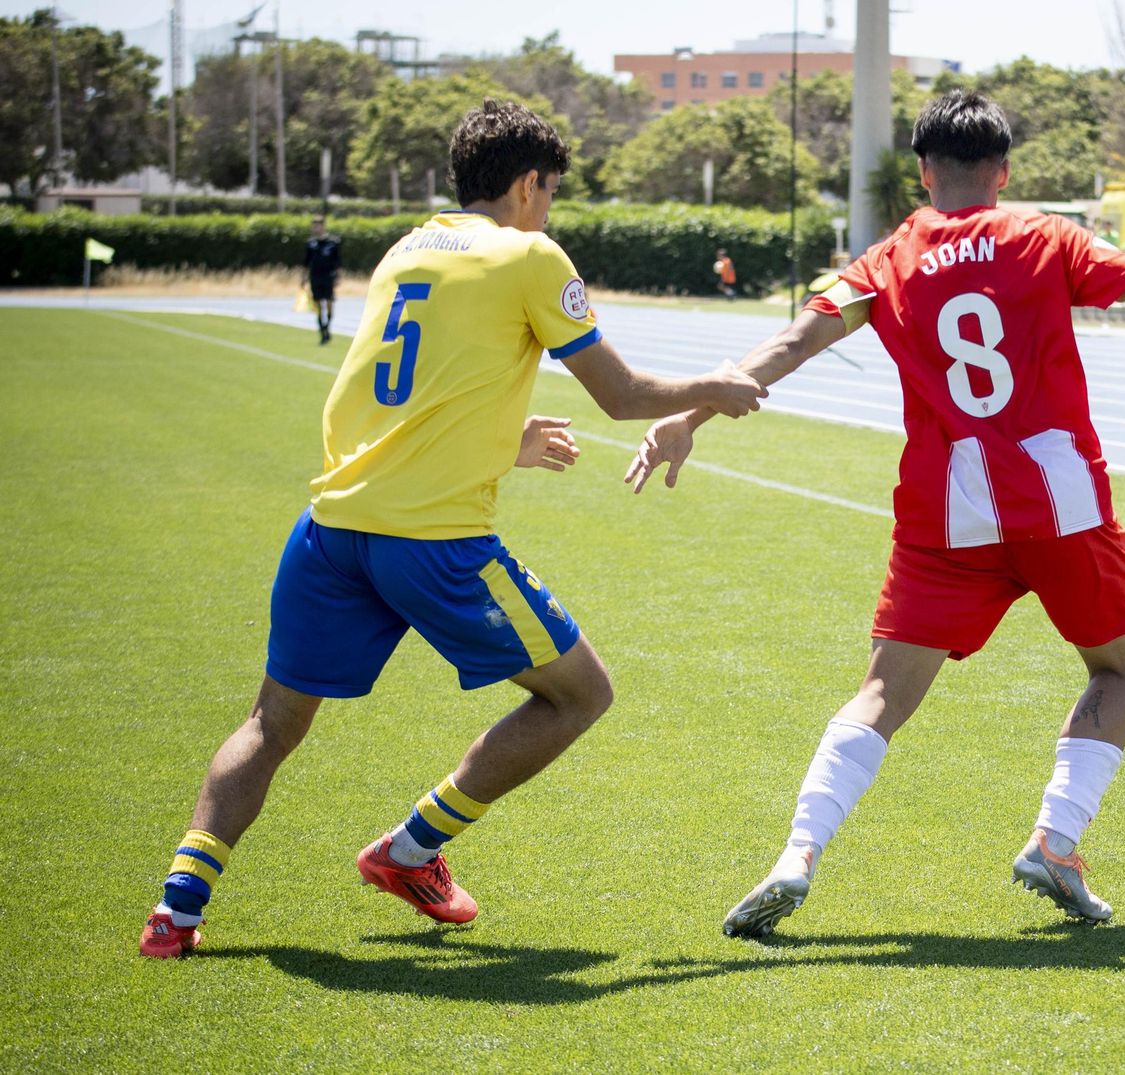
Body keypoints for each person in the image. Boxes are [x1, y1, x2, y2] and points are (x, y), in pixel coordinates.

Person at [622, 90, 1125, 938]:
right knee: (1117, 666)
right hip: (1059, 502)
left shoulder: (885, 258)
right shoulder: (1039, 234)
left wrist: (687, 413)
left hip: (948, 514)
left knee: (881, 691)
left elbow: (791, 343)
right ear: (1003, 169)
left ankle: (797, 852)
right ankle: (1056, 839)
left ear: (921, 170)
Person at [137, 98, 768, 958]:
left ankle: (175, 911)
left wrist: (504, 442)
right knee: (582, 693)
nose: (550, 209)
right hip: (434, 544)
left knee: (270, 725)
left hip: (330, 529)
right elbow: (620, 397)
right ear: (526, 182)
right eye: (550, 191)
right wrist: (714, 388)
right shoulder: (532, 254)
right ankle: (410, 849)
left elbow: (395, 396)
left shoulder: (410, 247)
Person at [304, 216, 342, 345]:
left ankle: (327, 326)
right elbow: (306, 263)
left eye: (318, 225)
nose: (316, 228)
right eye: (314, 226)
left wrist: (338, 277)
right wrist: (303, 278)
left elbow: (337, 262)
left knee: (330, 303)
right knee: (319, 305)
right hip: (315, 277)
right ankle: (322, 332)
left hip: (328, 277)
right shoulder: (310, 244)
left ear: (323, 226)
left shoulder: (333, 242)